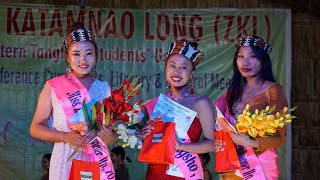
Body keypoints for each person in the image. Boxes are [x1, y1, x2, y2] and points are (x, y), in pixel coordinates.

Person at [29, 22, 117, 180]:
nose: (83, 60)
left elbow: (111, 140)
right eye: (76, 54)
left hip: (96, 162)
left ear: (96, 56)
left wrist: (108, 135)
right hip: (64, 160)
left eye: (88, 53)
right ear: (67, 58)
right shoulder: (53, 87)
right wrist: (65, 136)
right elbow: (35, 128)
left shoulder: (105, 90)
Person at [215, 35, 288, 179]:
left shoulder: (273, 90)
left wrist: (250, 142)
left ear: (263, 61)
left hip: (260, 167)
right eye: (241, 56)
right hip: (232, 167)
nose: (245, 62)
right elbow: (220, 126)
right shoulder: (232, 92)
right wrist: (219, 141)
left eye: (252, 56)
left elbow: (280, 137)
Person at [141, 40, 215, 179]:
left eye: (184, 67)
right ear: (165, 68)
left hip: (184, 172)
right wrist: (144, 133)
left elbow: (212, 144)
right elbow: (152, 141)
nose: (177, 71)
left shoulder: (200, 102)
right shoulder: (158, 103)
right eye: (172, 65)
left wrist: (181, 146)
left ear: (192, 72)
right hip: (155, 172)